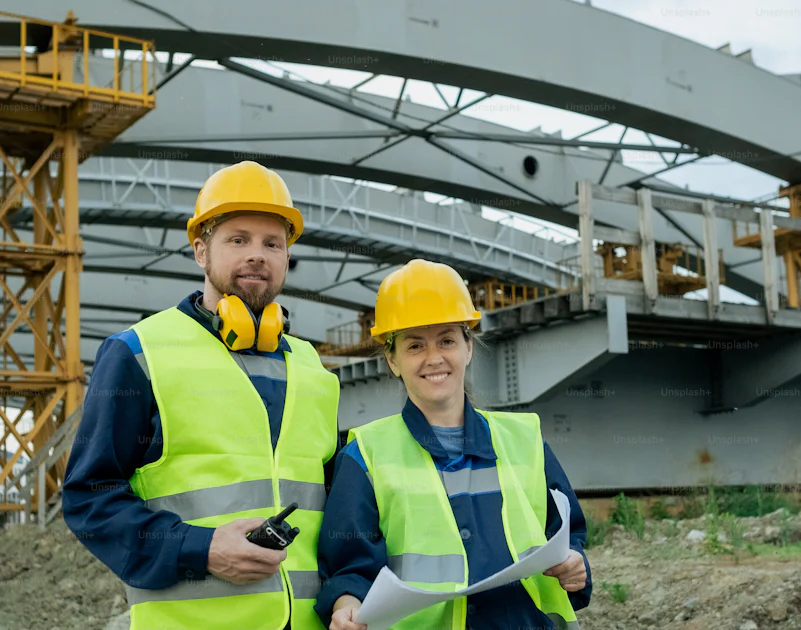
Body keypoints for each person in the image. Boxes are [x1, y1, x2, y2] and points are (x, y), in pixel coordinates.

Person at [62, 161, 340, 630]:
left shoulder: (313, 368)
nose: (258, 255)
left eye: (273, 243)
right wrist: (201, 548)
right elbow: (89, 498)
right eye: (238, 239)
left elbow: (334, 506)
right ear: (199, 251)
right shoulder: (138, 353)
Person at [316, 259, 592, 630]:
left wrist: (576, 565)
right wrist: (346, 604)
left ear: (468, 348)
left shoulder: (525, 439)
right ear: (392, 360)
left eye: (447, 340)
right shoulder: (364, 455)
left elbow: (568, 536)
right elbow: (350, 567)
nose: (434, 358)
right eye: (415, 346)